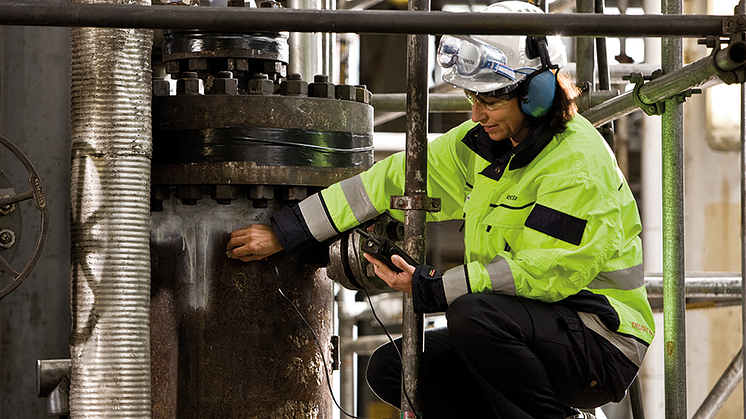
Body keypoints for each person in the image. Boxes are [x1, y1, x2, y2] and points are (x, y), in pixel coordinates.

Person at [226, 2, 655, 418]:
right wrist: (287, 232)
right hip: (531, 328)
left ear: (537, 94)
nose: (476, 112)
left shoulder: (576, 167)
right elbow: (389, 182)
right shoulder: (486, 144)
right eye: (472, 96)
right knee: (394, 372)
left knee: (473, 314)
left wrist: (432, 287)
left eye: (489, 99)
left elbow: (544, 271)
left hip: (599, 341)